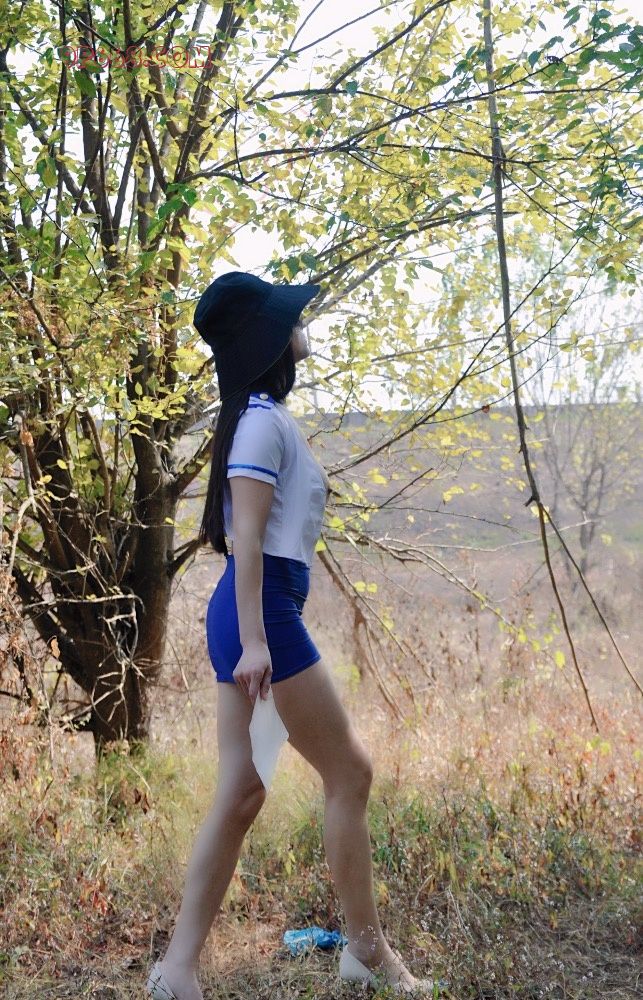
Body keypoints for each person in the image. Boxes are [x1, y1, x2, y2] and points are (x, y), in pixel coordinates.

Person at [145, 271, 443, 999]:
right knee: (350, 773)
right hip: (261, 612)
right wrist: (256, 642)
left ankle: (176, 971)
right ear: (268, 339)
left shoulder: (262, 417)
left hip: (254, 609)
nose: (301, 322)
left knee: (242, 790)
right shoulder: (259, 422)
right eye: (288, 316)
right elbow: (246, 540)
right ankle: (367, 954)